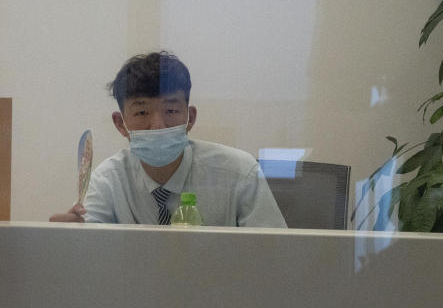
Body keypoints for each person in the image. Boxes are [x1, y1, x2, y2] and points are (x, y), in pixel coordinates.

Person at [50, 51, 287, 227]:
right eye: (142, 112)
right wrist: (73, 241)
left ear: (190, 118)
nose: (157, 125)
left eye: (171, 111)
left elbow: (274, 258)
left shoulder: (239, 173)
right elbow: (92, 257)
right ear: (120, 123)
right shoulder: (108, 180)